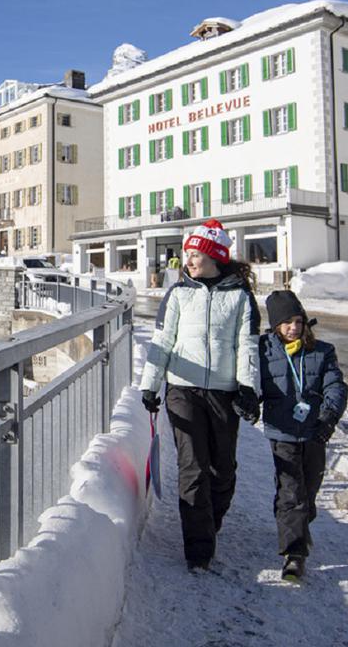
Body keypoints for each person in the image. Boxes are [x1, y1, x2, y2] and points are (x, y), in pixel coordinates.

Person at [139, 219, 261, 573]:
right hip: (182, 389)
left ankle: (208, 524)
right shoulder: (178, 294)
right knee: (192, 468)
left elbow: (247, 346)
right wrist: (150, 384)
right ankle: (199, 552)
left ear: (215, 257)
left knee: (223, 471)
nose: (187, 261)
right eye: (187, 254)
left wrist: (248, 387)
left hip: (223, 393)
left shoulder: (240, 297)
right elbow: (161, 342)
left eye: (195, 255)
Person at [257, 289, 348, 582]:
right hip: (281, 431)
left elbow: (335, 386)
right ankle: (294, 556)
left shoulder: (322, 351)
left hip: (313, 432)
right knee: (291, 491)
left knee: (308, 492)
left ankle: (293, 523)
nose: (293, 327)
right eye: (286, 323)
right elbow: (252, 383)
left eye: (298, 321)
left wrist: (328, 417)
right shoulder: (263, 351)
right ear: (275, 326)